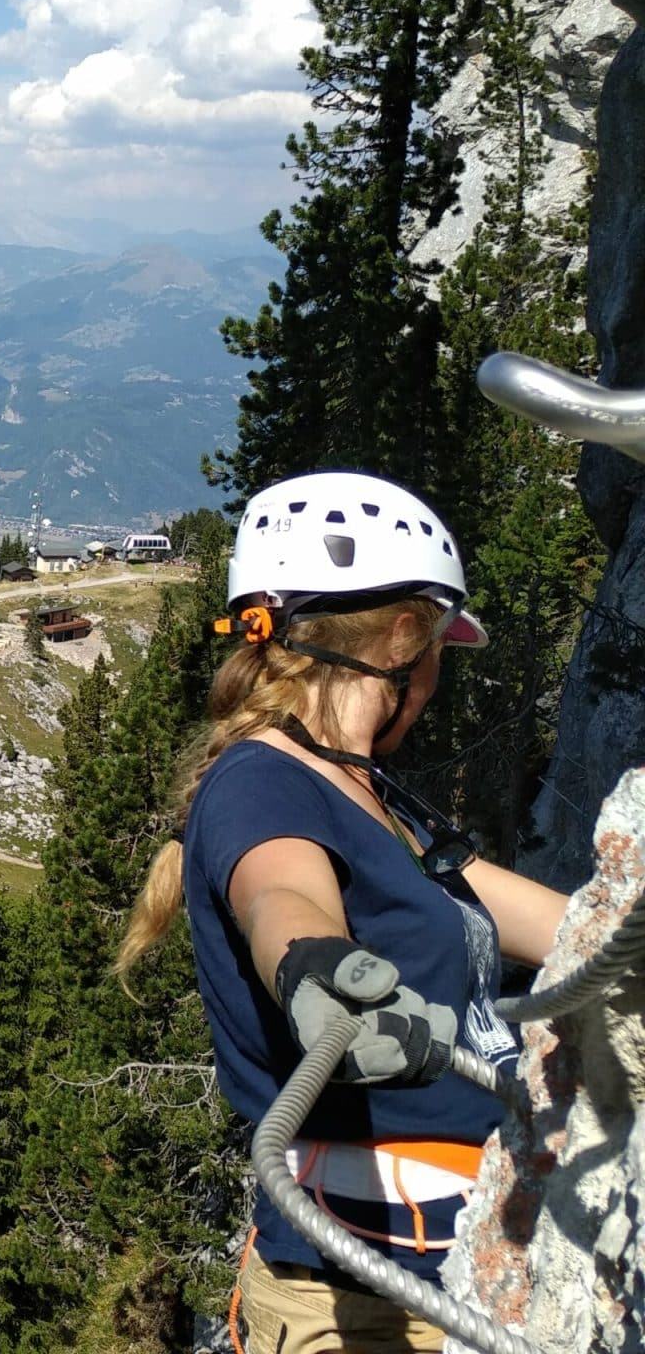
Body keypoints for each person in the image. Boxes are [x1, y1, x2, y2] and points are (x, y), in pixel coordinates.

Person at [116, 472, 568, 1353]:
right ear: (404, 638)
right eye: (439, 649)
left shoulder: (379, 801)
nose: (435, 680)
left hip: (459, 1263)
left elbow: (567, 929)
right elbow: (276, 892)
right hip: (365, 1302)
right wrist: (314, 966)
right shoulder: (261, 779)